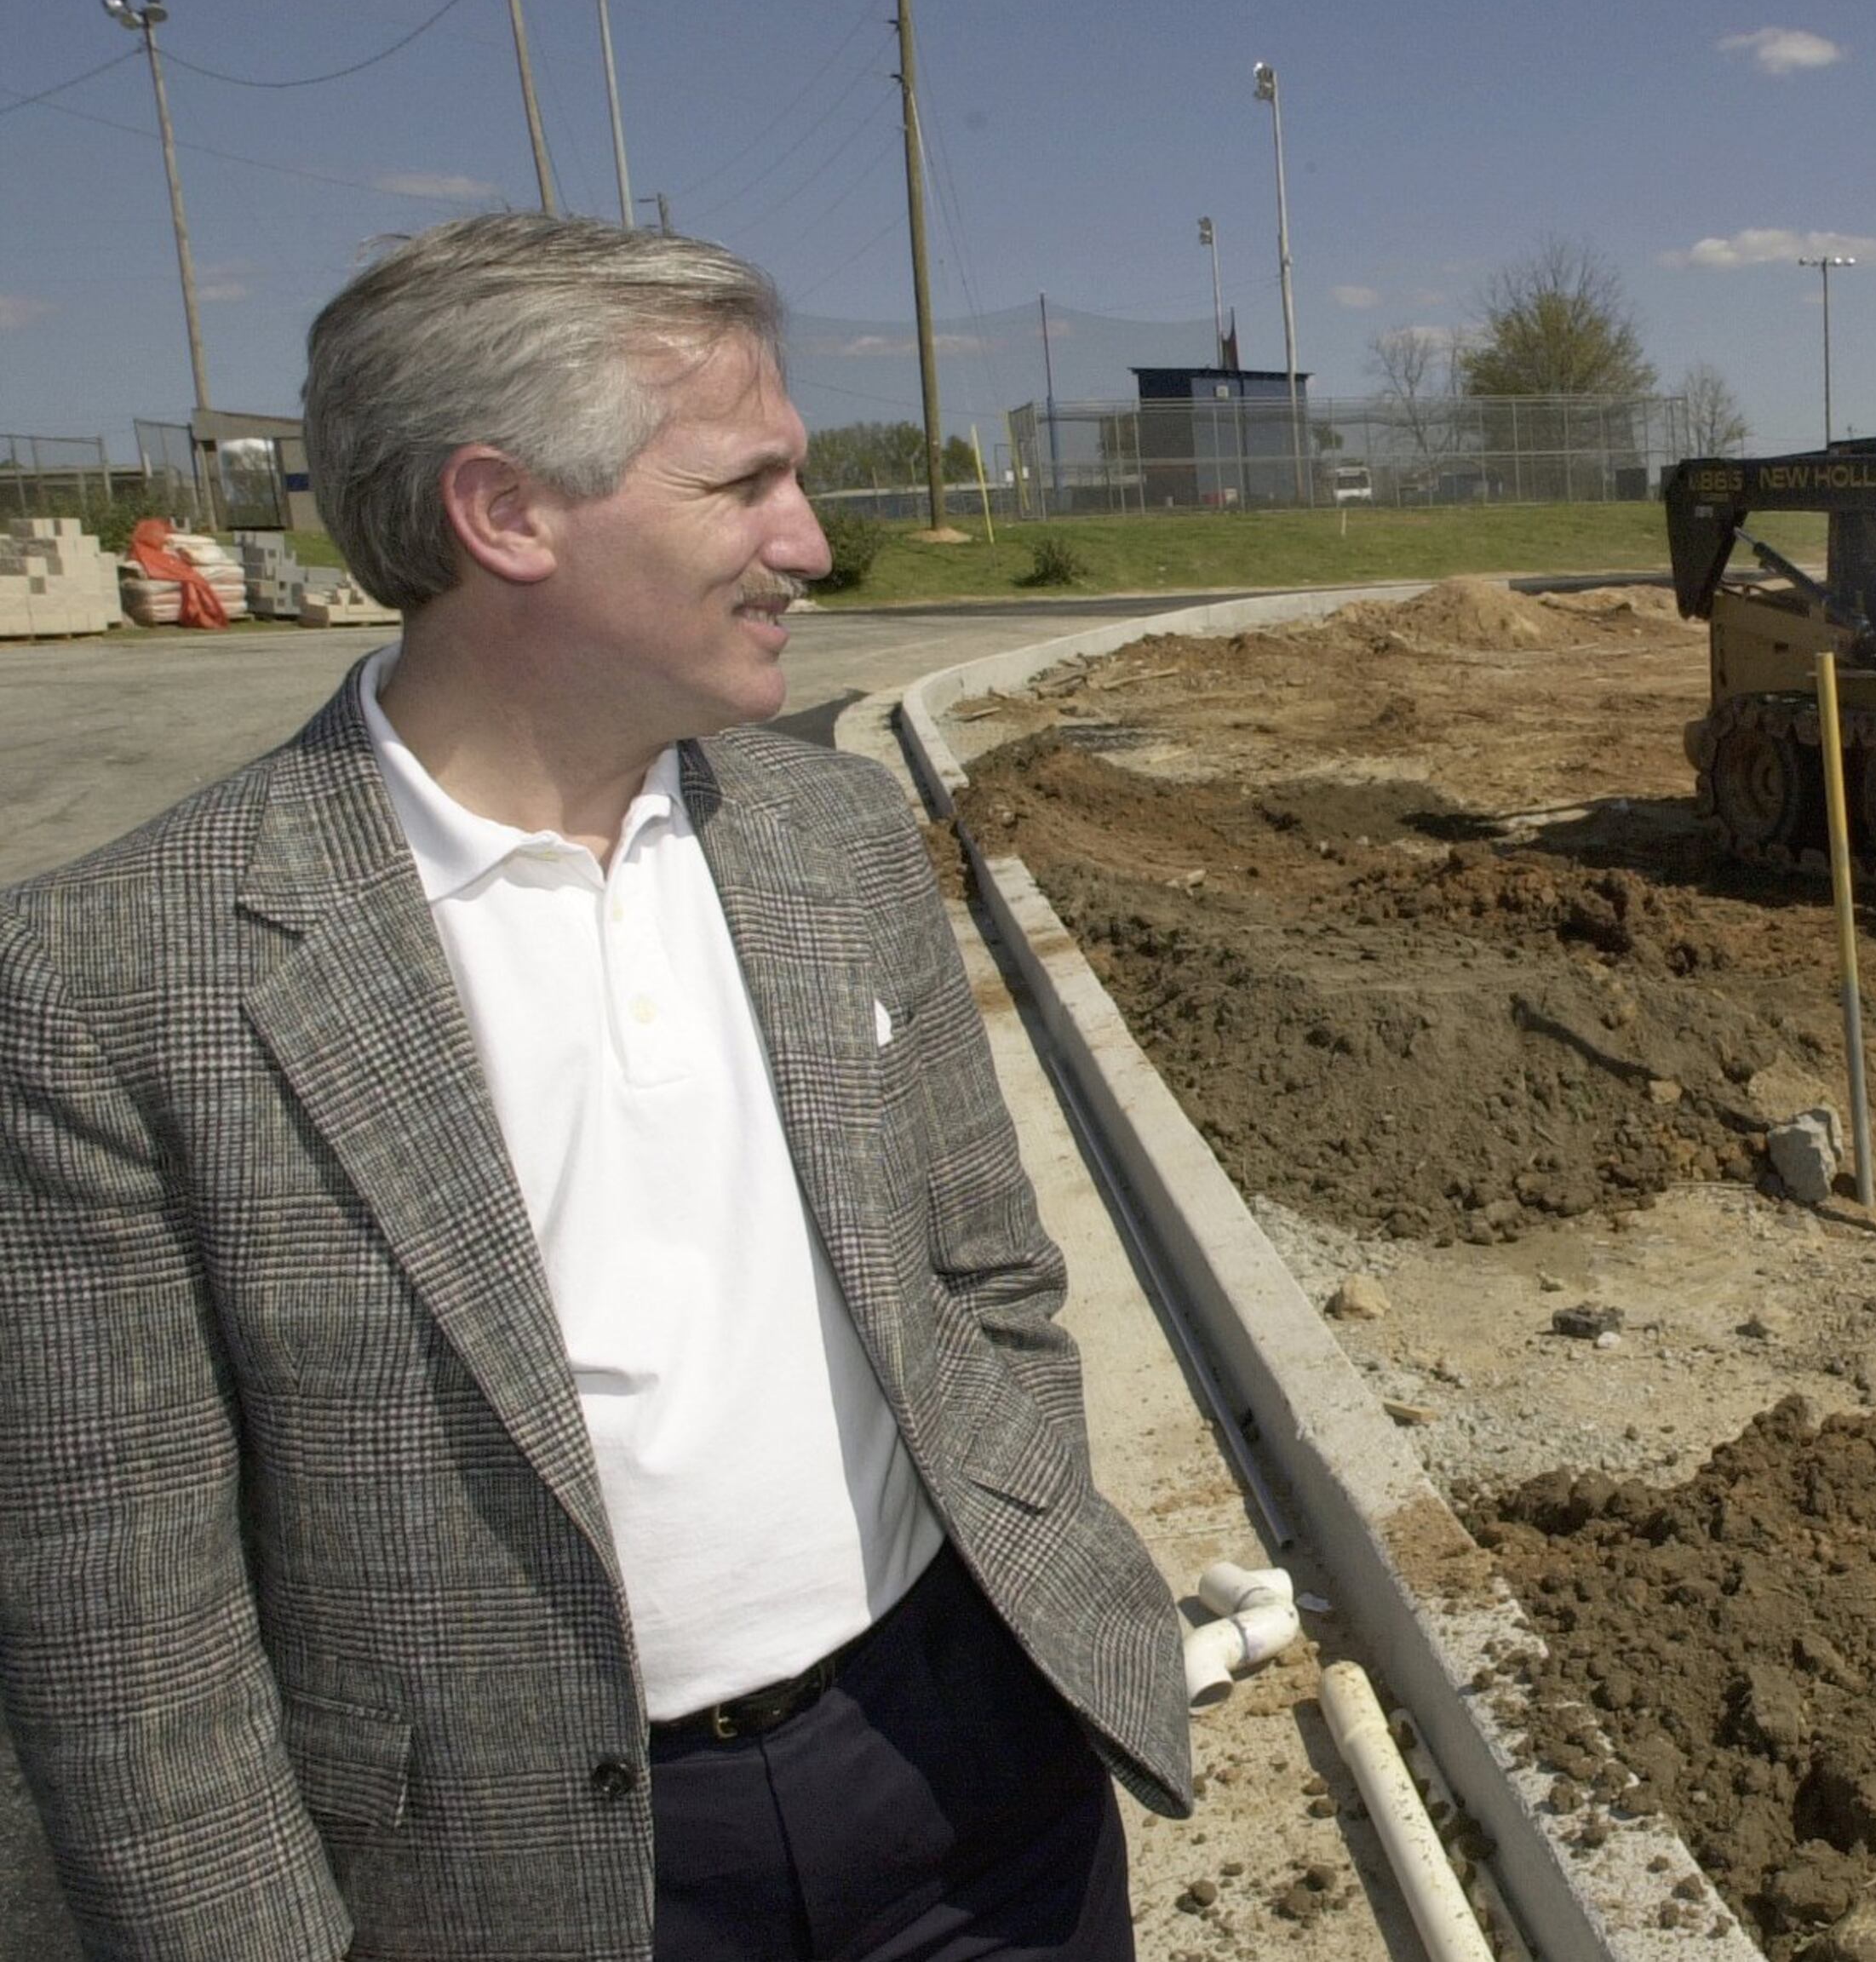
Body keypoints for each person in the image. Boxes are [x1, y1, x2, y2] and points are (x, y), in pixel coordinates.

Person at [0, 214, 1190, 1960]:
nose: (813, 541)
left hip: (968, 1774)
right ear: (507, 512)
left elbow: (986, 1272)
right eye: (744, 484)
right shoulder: (117, 983)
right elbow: (128, 1640)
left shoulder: (835, 837)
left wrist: (1030, 1547)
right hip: (526, 1876)